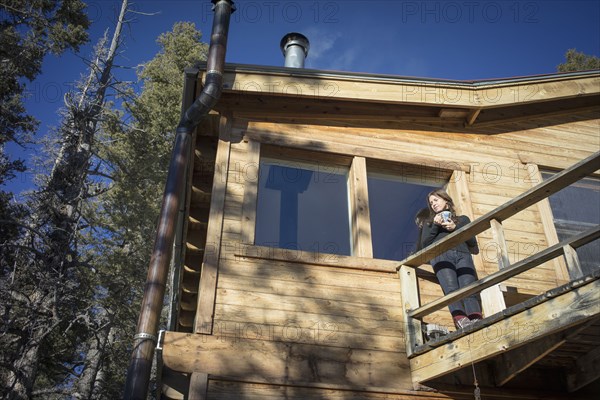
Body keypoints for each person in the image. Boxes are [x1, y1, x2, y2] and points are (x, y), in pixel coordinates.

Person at [418, 189, 482, 329]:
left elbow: (473, 244)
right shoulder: (429, 224)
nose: (433, 204)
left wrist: (456, 227)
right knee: (451, 290)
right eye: (431, 203)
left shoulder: (463, 219)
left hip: (463, 255)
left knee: (469, 288)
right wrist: (435, 225)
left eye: (436, 200)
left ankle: (476, 319)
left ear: (446, 200)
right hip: (441, 257)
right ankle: (461, 320)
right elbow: (425, 245)